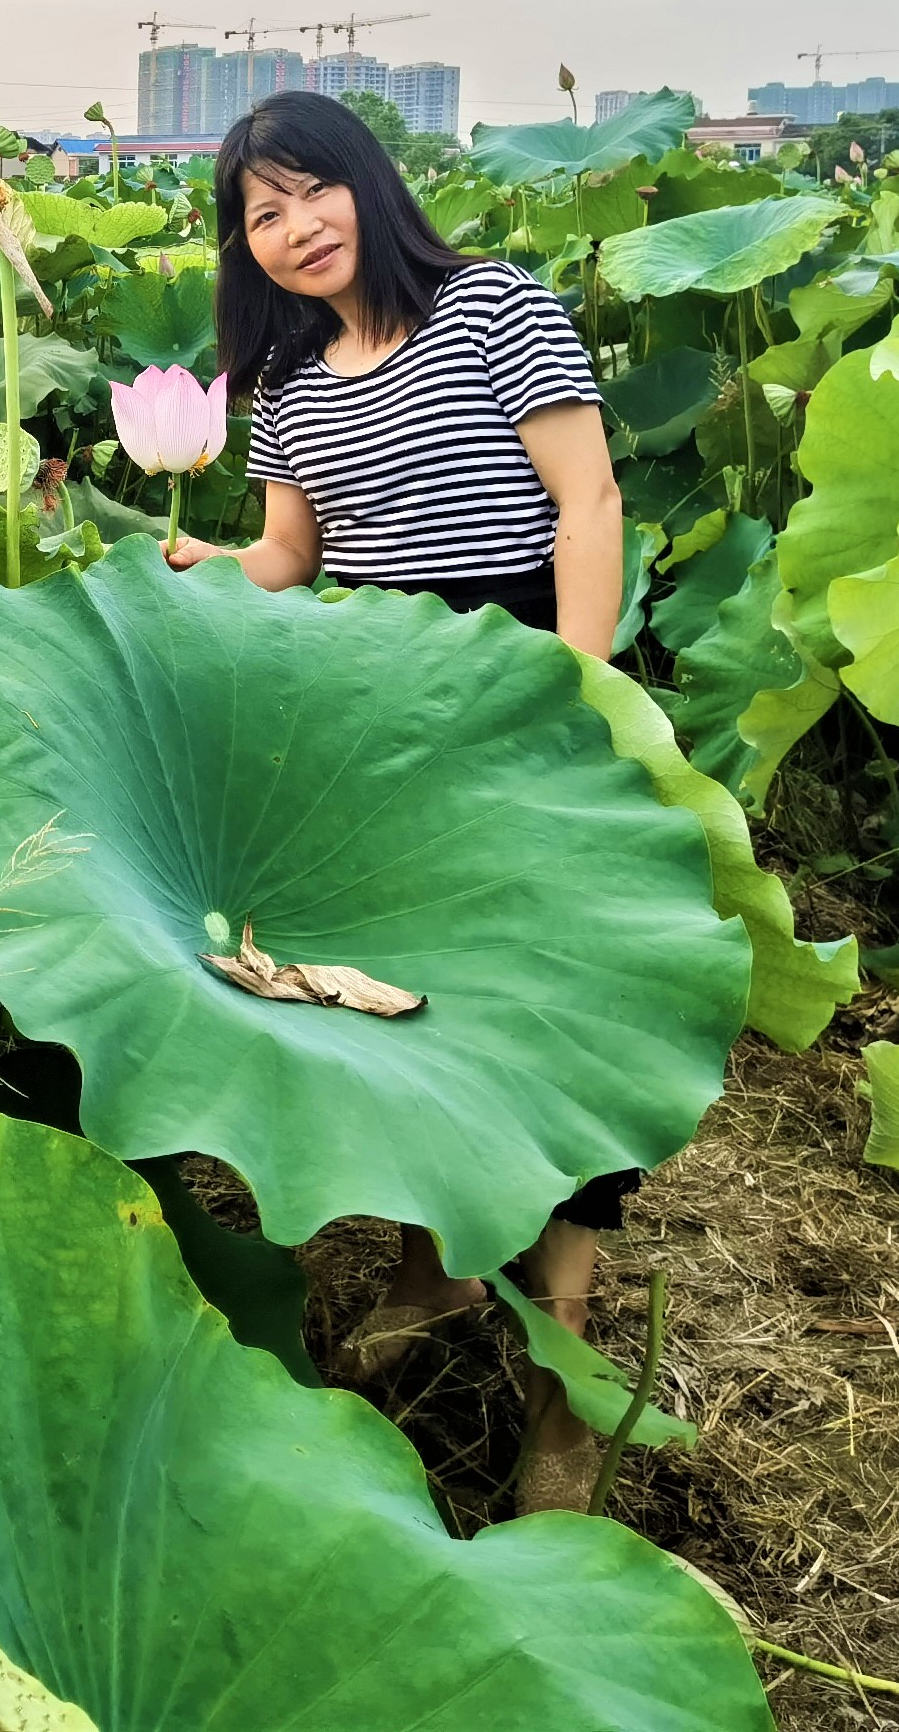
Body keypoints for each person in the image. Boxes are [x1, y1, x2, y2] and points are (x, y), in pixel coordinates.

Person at [161, 88, 632, 1512]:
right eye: (265, 214)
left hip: (531, 676)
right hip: (384, 710)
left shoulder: (495, 307)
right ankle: (434, 1268)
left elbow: (588, 504)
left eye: (315, 192)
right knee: (420, 1003)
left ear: (369, 184)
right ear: (247, 245)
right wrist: (188, 570)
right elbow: (291, 558)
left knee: (550, 1030)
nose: (298, 228)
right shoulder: (292, 385)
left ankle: (562, 1401)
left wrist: (575, 693)